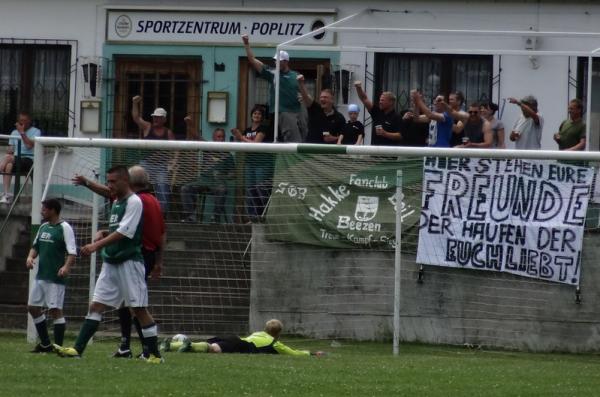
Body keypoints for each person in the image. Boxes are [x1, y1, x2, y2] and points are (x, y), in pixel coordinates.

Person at [55, 165, 163, 364]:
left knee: (139, 309)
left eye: (113, 182)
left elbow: (124, 233)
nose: (109, 185)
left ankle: (155, 355)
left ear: (125, 181)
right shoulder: (117, 202)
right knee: (95, 305)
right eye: (108, 181)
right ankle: (77, 349)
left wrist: (96, 245)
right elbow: (117, 229)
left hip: (130, 262)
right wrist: (104, 233)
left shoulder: (134, 201)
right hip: (112, 261)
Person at [26, 198, 76, 353]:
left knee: (55, 310)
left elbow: (72, 252)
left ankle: (59, 346)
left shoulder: (65, 227)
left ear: (53, 210)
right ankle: (46, 344)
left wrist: (66, 267)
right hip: (41, 276)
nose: (42, 211)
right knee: (33, 307)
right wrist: (30, 257)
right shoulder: (43, 227)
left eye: (44, 209)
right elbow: (36, 246)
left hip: (55, 278)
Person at [242, 34, 303, 143]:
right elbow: (252, 60)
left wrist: (301, 95)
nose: (276, 62)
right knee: (274, 141)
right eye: (275, 60)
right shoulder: (273, 73)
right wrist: (246, 44)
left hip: (291, 114)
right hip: (275, 114)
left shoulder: (295, 75)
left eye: (278, 60)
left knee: (292, 142)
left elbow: (303, 94)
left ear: (286, 62)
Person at [161, 319, 325, 357]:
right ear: (277, 333)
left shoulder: (257, 333)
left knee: (211, 343)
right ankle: (184, 344)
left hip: (237, 339)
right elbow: (294, 353)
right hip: (241, 346)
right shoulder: (275, 343)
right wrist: (311, 353)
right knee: (213, 349)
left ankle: (172, 345)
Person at [131, 95, 176, 214]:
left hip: (161, 165)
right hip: (146, 163)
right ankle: (135, 210)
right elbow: (136, 118)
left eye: (159, 117)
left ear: (164, 119)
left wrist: (173, 162)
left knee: (163, 191)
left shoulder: (168, 133)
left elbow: (176, 149)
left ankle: (162, 215)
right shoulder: (147, 127)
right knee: (136, 184)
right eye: (155, 117)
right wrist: (135, 103)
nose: (156, 119)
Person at [180, 128, 235, 223]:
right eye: (218, 136)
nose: (221, 139)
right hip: (203, 181)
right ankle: (191, 216)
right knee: (185, 188)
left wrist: (222, 176)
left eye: (222, 137)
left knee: (222, 189)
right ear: (214, 138)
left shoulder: (228, 155)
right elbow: (197, 137)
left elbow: (233, 175)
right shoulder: (208, 149)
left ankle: (215, 217)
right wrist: (189, 124)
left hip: (217, 183)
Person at [232, 105, 274, 221]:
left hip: (262, 163)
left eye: (259, 114)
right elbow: (244, 145)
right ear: (251, 115)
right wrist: (238, 138)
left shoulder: (264, 127)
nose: (257, 115)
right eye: (255, 113)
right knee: (250, 190)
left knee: (261, 189)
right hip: (250, 163)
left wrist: (241, 137)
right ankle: (252, 217)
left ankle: (264, 216)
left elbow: (256, 143)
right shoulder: (247, 130)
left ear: (262, 117)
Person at [0, 112, 41, 204]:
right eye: (21, 120)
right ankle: (6, 194)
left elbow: (29, 146)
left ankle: (0, 167)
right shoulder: (14, 132)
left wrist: (22, 133)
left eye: (24, 120)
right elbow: (11, 149)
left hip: (29, 159)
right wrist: (10, 150)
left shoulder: (36, 131)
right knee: (9, 165)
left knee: (7, 159)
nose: (22, 122)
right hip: (15, 159)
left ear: (29, 121)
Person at [297, 75, 346, 144]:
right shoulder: (315, 109)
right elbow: (306, 97)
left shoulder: (339, 117)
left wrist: (333, 138)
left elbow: (344, 136)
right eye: (321, 97)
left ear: (332, 100)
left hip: (328, 151)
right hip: (311, 149)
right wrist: (301, 83)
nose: (322, 99)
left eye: (325, 97)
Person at [354, 81, 404, 146]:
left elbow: (400, 136)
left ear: (391, 102)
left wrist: (385, 133)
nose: (380, 102)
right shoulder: (377, 112)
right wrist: (358, 88)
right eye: (380, 100)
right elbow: (364, 99)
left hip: (389, 154)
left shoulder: (397, 117)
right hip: (374, 152)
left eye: (382, 100)